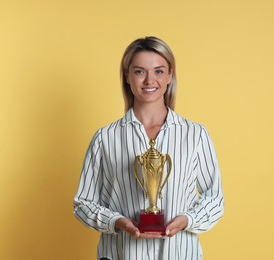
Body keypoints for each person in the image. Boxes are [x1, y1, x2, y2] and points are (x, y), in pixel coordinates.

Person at [73, 36, 224, 260]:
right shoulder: (105, 138)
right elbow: (83, 204)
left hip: (179, 254)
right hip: (121, 254)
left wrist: (187, 220)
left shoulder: (195, 135)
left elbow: (215, 199)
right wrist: (117, 222)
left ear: (170, 75)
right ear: (127, 76)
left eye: (159, 71)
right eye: (140, 71)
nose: (149, 80)